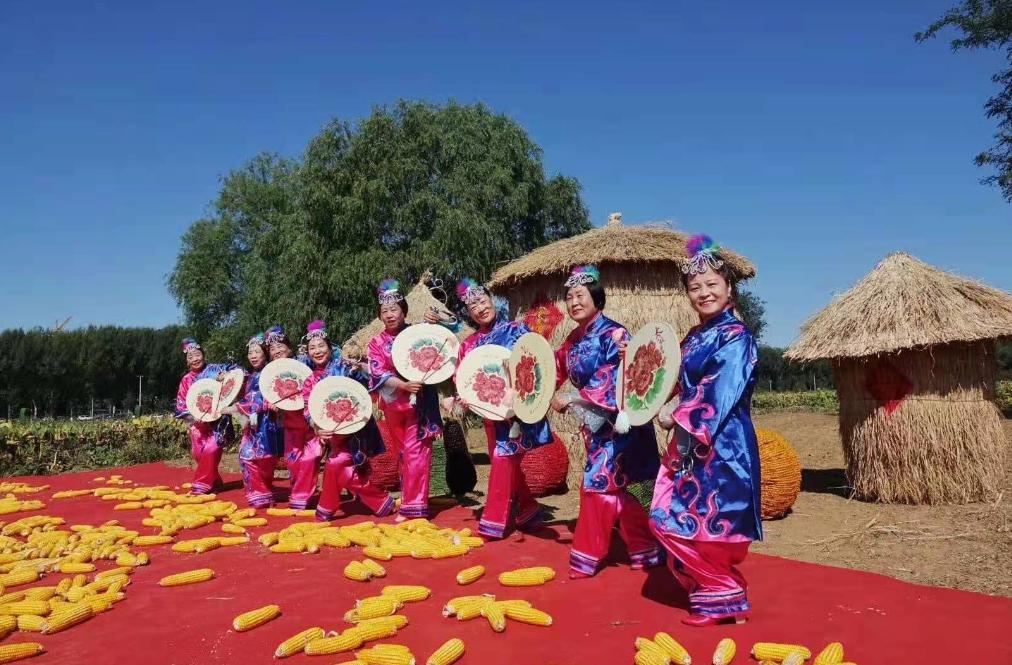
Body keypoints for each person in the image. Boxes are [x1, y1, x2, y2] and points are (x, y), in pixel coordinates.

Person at [650, 235, 761, 627]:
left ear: (729, 288)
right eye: (695, 287)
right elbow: (675, 380)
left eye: (712, 284)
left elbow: (719, 390)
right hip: (689, 442)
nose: (704, 293)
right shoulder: (694, 337)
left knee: (713, 521)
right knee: (669, 516)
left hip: (724, 444)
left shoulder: (736, 337)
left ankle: (722, 593)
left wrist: (677, 415)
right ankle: (722, 591)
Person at [551, 265, 662, 579]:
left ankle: (587, 555)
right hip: (595, 426)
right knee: (622, 491)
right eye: (569, 297)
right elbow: (555, 369)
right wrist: (532, 383)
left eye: (580, 295)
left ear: (596, 298)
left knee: (598, 485)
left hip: (622, 425)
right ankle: (645, 550)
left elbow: (616, 377)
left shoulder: (616, 333)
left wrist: (573, 397)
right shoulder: (572, 340)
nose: (574, 302)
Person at [442, 278, 552, 540]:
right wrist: (462, 398)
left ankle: (492, 523)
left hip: (516, 414)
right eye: (472, 307)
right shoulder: (469, 345)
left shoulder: (518, 330)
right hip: (491, 416)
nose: (479, 309)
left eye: (482, 301)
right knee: (504, 462)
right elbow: (465, 380)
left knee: (503, 459)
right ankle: (527, 510)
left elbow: (536, 362)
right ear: (468, 314)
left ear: (492, 299)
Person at [301, 320, 395, 520]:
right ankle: (381, 502)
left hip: (356, 429)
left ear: (329, 346)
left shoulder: (344, 367)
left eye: (321, 346)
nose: (317, 351)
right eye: (312, 348)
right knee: (341, 468)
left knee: (336, 463)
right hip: (333, 435)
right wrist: (317, 428)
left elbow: (366, 386)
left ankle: (326, 509)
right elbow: (308, 410)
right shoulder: (310, 380)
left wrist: (360, 369)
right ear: (307, 352)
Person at [366, 279, 443, 521]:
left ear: (404, 311)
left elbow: (443, 342)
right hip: (393, 406)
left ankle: (415, 507)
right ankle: (410, 500)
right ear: (380, 316)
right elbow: (377, 372)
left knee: (416, 454)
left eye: (394, 309)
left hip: (420, 406)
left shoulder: (417, 333)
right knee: (402, 454)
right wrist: (403, 385)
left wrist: (433, 322)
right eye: (384, 311)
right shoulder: (376, 343)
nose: (390, 315)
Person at [173, 338, 236, 495]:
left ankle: (200, 487)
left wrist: (226, 376)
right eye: (190, 357)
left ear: (203, 355)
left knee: (210, 450)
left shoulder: (216, 369)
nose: (195, 359)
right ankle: (214, 482)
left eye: (197, 354)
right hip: (198, 425)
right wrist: (194, 418)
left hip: (218, 423)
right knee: (199, 455)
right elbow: (181, 405)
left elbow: (238, 373)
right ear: (187, 361)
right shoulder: (186, 380)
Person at [264, 325, 317, 510]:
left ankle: (302, 497)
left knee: (310, 458)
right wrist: (270, 404)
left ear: (290, 348)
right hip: (290, 424)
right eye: (272, 348)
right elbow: (265, 397)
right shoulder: (269, 374)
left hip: (311, 422)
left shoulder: (305, 363)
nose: (277, 350)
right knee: (292, 461)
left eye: (281, 346)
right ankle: (299, 492)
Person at [233, 333, 284, 508]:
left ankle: (264, 491)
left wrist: (256, 404)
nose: (253, 356)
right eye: (250, 352)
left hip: (268, 424)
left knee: (265, 460)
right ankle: (259, 493)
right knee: (246, 456)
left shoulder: (273, 373)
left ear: (265, 353)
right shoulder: (249, 376)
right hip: (253, 425)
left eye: (257, 352)